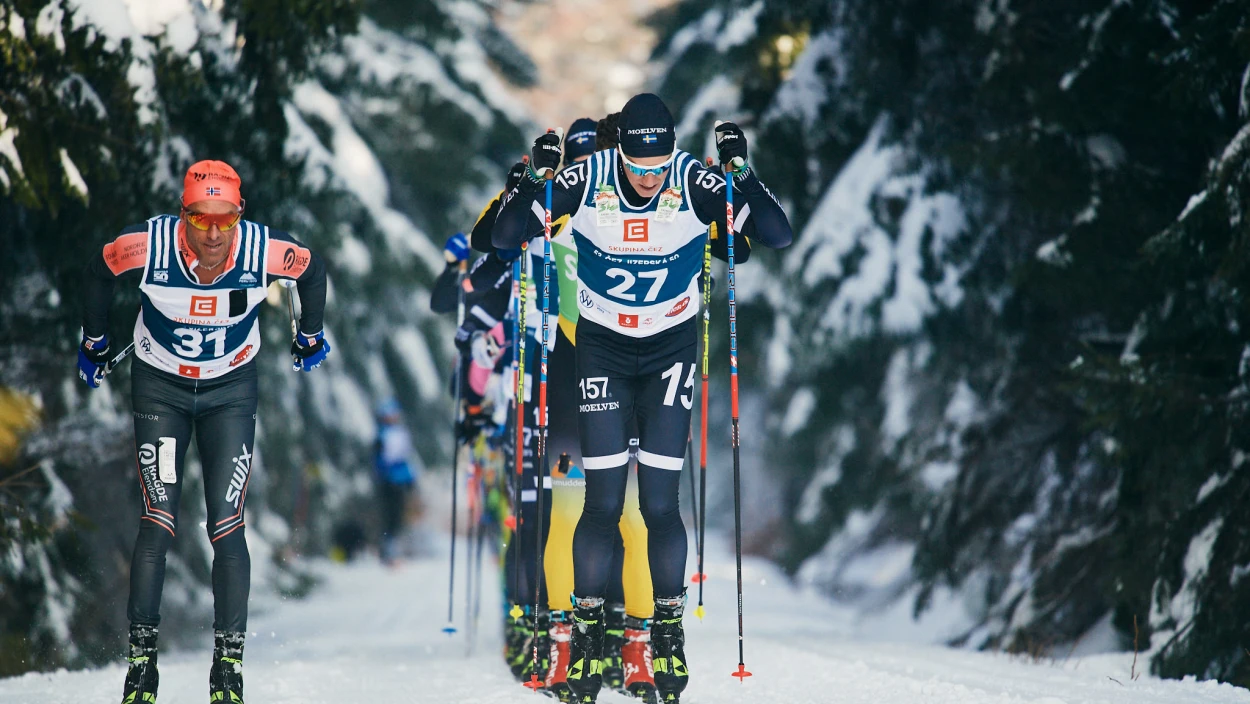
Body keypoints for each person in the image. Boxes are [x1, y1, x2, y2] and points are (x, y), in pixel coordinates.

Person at [493, 94, 792, 704]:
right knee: (600, 504)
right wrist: (538, 180)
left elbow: (776, 233)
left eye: (658, 165)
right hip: (602, 348)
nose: (649, 177)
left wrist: (739, 171)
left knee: (659, 502)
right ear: (619, 150)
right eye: (638, 164)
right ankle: (584, 642)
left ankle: (667, 633)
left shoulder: (689, 178)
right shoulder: (591, 177)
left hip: (668, 350)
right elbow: (502, 236)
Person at [78, 160, 329, 704]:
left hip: (230, 393)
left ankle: (228, 671)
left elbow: (311, 268)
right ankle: (141, 669)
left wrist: (310, 334)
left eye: (225, 220)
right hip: (160, 390)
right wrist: (94, 341)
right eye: (200, 219)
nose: (213, 234)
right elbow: (100, 269)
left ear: (240, 216)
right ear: (183, 216)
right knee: (159, 521)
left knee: (226, 523)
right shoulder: (150, 246)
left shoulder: (263, 250)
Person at [374, 398, 421, 565]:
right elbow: (380, 461)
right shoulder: (381, 435)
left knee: (398, 518)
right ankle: (387, 553)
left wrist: (411, 479)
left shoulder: (400, 433)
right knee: (390, 518)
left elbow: (405, 458)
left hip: (400, 481)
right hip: (388, 482)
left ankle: (393, 552)